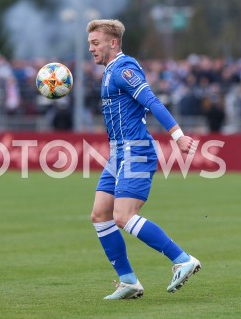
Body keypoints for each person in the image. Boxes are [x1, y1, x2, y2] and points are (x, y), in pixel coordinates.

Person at [86, 19, 201, 300]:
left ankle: (183, 259)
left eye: (95, 43)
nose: (91, 49)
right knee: (100, 215)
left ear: (113, 43)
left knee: (123, 216)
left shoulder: (124, 69)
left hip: (135, 151)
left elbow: (152, 101)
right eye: (90, 43)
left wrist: (178, 136)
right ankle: (129, 281)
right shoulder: (110, 70)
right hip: (119, 153)